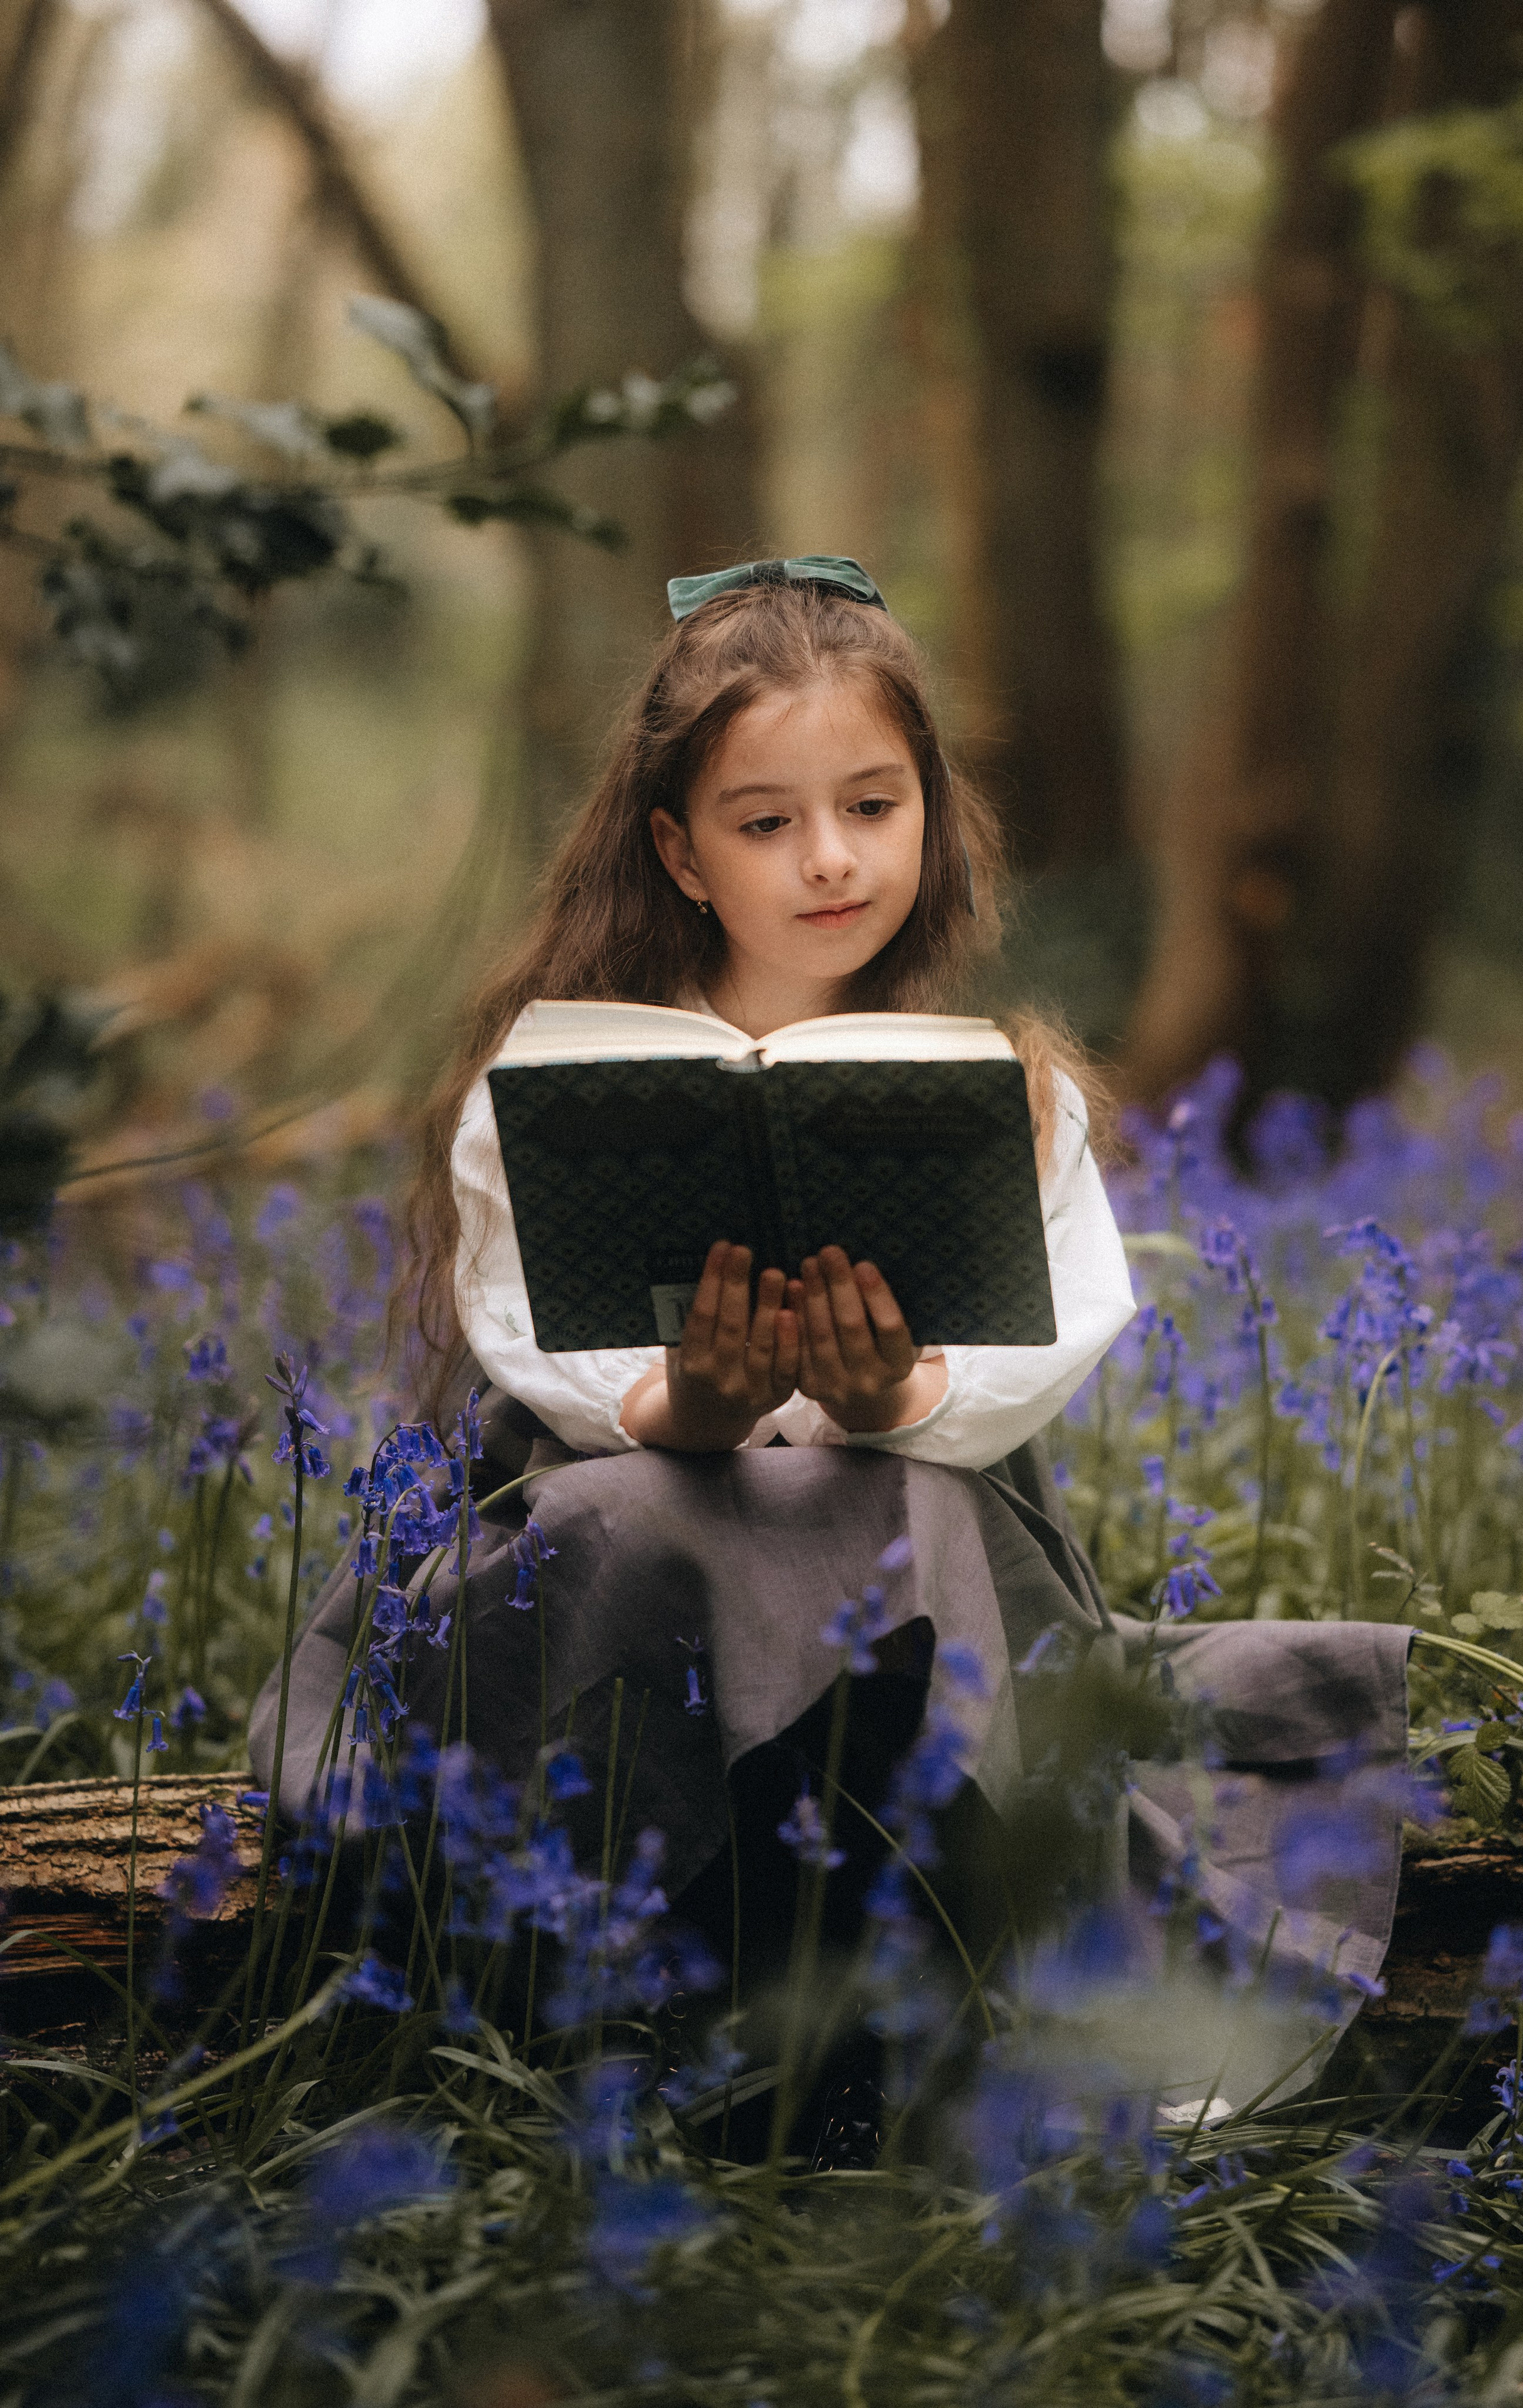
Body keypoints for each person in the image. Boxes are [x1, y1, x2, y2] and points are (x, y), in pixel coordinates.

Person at [251, 558, 1410, 2120]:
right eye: (765, 820)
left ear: (928, 809)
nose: (828, 860)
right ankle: (632, 2004)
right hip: (619, 1536)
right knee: (640, 1510)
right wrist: (685, 1403)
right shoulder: (555, 1092)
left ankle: (900, 2011)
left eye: (872, 804)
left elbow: (1058, 1325)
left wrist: (901, 1391)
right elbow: (530, 1339)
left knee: (908, 1504)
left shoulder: (1010, 1089)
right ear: (678, 848)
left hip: (909, 1525)